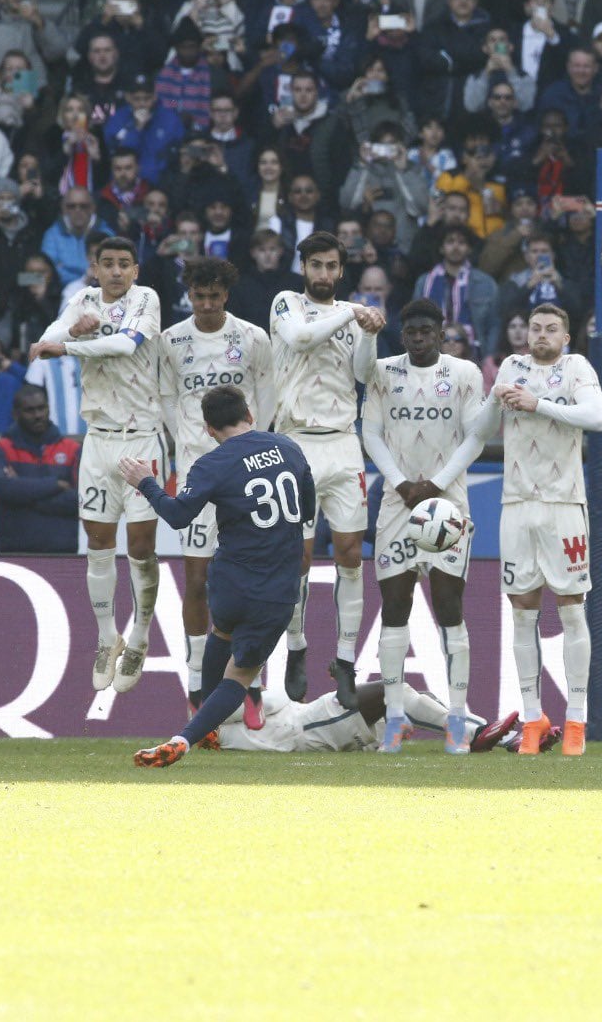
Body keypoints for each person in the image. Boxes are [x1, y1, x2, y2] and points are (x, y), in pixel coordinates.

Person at [123, 386, 316, 769]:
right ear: (250, 413)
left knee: (222, 633)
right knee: (241, 675)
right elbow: (307, 507)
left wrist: (146, 482)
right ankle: (186, 737)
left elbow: (179, 515)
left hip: (230, 580)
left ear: (209, 429)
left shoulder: (212, 463)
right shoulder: (289, 448)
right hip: (277, 587)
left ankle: (203, 718)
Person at [464, 304, 602, 754]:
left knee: (571, 607)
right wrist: (494, 399)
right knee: (522, 609)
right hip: (517, 503)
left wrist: (538, 404)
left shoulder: (576, 367)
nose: (541, 335)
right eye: (535, 328)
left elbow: (598, 417)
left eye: (551, 329)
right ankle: (531, 719)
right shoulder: (512, 366)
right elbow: (482, 429)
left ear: (566, 337)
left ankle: (577, 720)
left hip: (564, 503)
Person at [28, 236, 164, 694]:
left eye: (125, 264)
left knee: (142, 545)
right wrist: (69, 331)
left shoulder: (146, 299)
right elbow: (49, 335)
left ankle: (142, 635)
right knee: (99, 540)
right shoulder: (82, 299)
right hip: (99, 440)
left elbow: (126, 346)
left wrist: (71, 345)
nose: (117, 272)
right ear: (95, 268)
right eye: (108, 264)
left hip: (142, 439)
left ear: (136, 270)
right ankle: (108, 637)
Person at [358, 299, 486, 752]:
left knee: (449, 604)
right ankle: (395, 717)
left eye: (425, 330)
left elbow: (476, 435)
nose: (417, 337)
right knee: (394, 604)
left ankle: (456, 718)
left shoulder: (466, 373)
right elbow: (370, 432)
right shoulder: (383, 372)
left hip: (448, 502)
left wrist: (436, 483)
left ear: (441, 331)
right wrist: (402, 484)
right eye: (410, 330)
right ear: (401, 334)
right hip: (397, 502)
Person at [270, 232, 385, 699]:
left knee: (350, 554)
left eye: (330, 266)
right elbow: (299, 339)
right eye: (315, 265)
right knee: (296, 556)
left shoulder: (353, 318)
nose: (322, 274)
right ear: (304, 268)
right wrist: (353, 312)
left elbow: (362, 374)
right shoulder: (286, 304)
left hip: (342, 441)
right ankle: (296, 645)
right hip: (295, 441)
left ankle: (344, 659)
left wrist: (371, 334)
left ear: (341, 270)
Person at [160, 257, 275, 713]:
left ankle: (252, 677)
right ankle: (194, 677)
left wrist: (249, 448)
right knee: (197, 577)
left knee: (246, 574)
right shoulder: (171, 341)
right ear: (189, 295)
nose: (206, 304)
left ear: (226, 295)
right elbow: (168, 399)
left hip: (246, 472)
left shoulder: (252, 338)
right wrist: (189, 443)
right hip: (196, 471)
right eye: (199, 296)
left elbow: (266, 398)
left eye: (214, 296)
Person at [216, 681, 526, 754]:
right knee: (395, 689)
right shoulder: (225, 716)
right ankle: (477, 732)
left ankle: (511, 739)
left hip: (312, 725)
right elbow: (275, 700)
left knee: (422, 700)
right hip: (306, 724)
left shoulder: (224, 733)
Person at [0, 384, 81, 554]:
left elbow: (79, 501)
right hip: (13, 553)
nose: (38, 415)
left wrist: (21, 492)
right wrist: (56, 485)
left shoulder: (71, 449)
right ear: (16, 414)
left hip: (64, 555)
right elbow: (5, 490)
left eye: (41, 408)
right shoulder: (2, 448)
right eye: (30, 410)